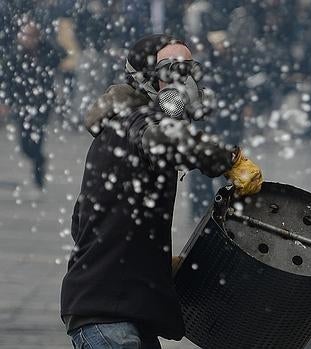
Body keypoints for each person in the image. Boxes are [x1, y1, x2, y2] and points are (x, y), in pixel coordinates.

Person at [60, 34, 263, 348]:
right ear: (145, 80)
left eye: (187, 73)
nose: (183, 84)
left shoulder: (128, 130)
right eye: (172, 72)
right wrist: (230, 160)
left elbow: (82, 223)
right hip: (108, 316)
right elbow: (170, 141)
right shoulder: (132, 122)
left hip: (120, 314)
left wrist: (150, 256)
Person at [0, 18, 64, 190]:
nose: (27, 39)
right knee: (25, 145)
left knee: (37, 138)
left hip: (41, 103)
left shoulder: (47, 51)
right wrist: (5, 101)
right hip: (21, 103)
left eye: (31, 36)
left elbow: (60, 58)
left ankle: (38, 174)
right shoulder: (15, 55)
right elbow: (6, 80)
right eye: (25, 35)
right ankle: (39, 159)